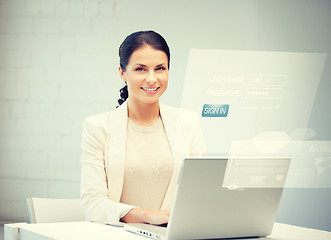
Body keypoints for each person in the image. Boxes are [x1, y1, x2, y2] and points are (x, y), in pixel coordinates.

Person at [80, 30, 205, 227]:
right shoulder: (98, 127)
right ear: (122, 73)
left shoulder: (188, 122)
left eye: (160, 68)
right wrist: (148, 215)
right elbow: (93, 203)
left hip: (172, 236)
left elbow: (200, 192)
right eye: (140, 69)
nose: (152, 79)